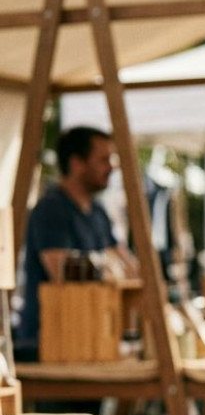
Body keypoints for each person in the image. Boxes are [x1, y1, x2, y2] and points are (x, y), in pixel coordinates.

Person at [15, 126, 136, 362]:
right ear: (77, 163)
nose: (112, 167)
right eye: (103, 159)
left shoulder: (98, 211)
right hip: (53, 340)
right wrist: (109, 270)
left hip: (91, 339)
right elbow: (63, 273)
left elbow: (127, 266)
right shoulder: (52, 209)